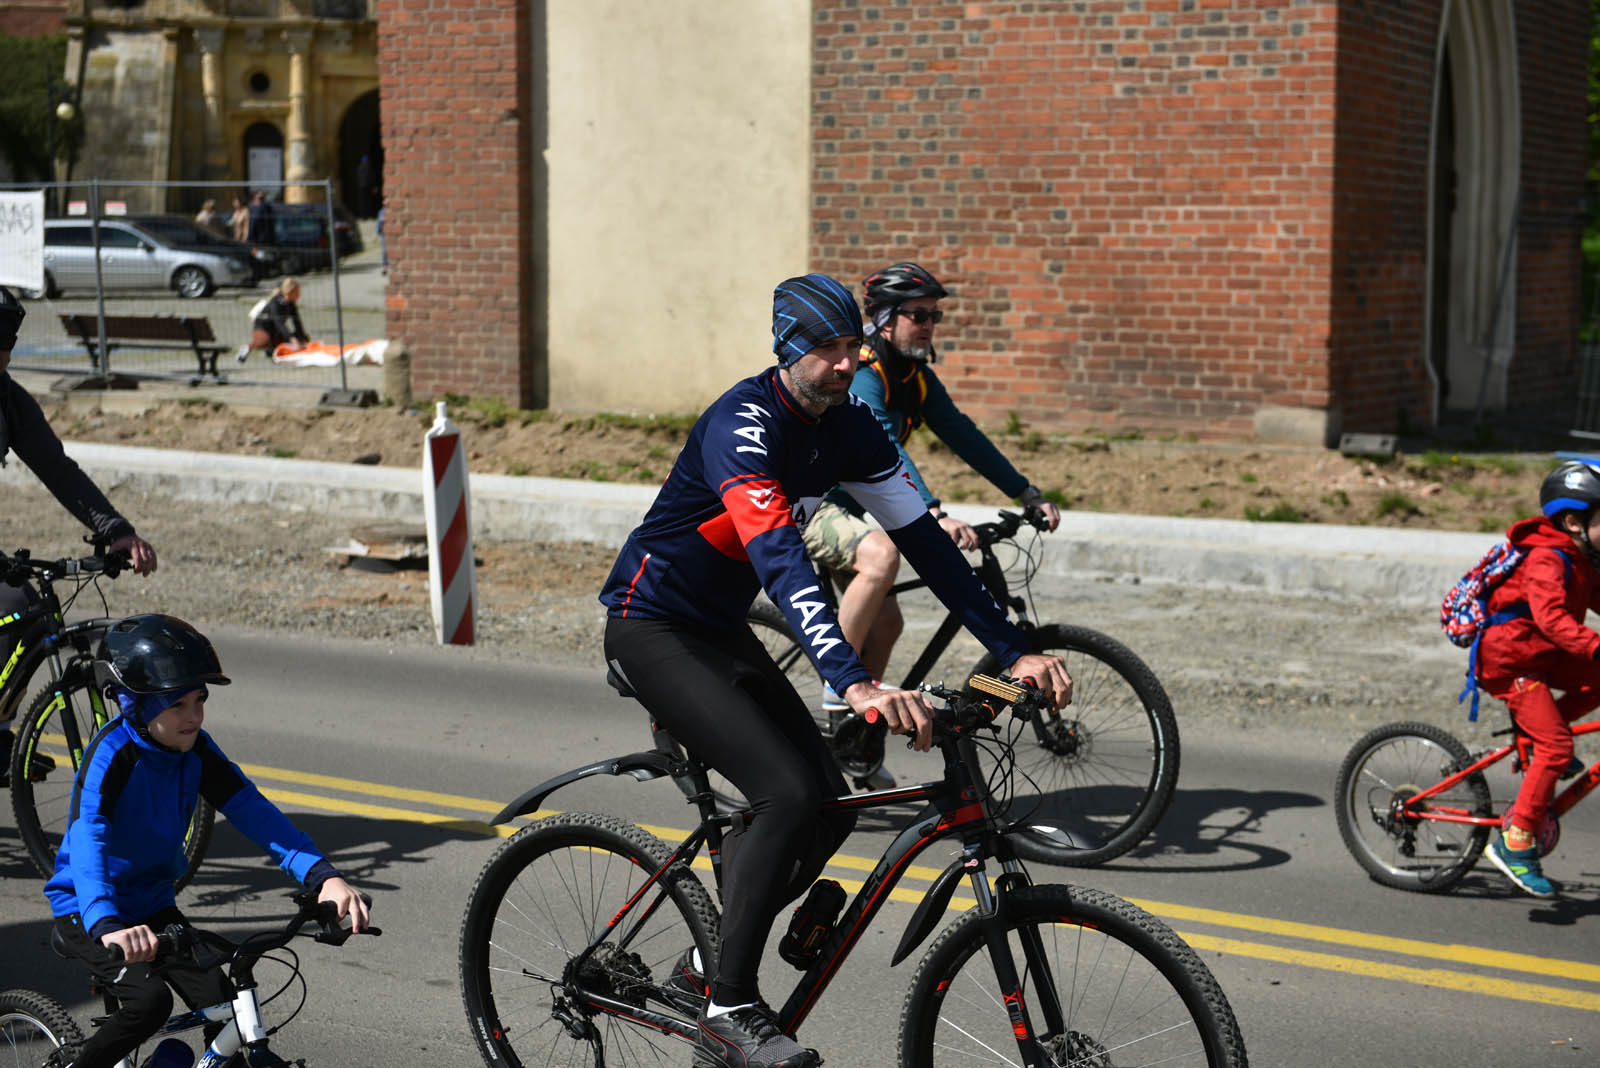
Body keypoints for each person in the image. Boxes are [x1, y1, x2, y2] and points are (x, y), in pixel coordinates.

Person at [598, 273, 1072, 1068]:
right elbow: (780, 559)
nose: (847, 362)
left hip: (714, 628)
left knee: (832, 807)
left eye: (853, 345)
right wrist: (853, 683)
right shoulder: (741, 424)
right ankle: (729, 1005)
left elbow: (922, 539)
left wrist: (1013, 646)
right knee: (784, 792)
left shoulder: (849, 423)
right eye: (827, 349)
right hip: (651, 626)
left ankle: (704, 965)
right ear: (787, 350)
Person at [44, 614, 369, 1068]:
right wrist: (106, 922)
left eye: (200, 700)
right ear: (134, 703)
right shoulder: (112, 754)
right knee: (149, 1004)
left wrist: (322, 877)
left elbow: (256, 814)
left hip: (153, 907)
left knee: (226, 1000)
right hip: (88, 909)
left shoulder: (196, 750)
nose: (194, 716)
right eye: (177, 705)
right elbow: (89, 837)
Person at [801, 262, 1063, 722]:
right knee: (882, 556)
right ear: (884, 317)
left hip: (857, 507)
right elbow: (883, 442)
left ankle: (857, 735)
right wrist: (932, 511)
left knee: (888, 623)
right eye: (917, 315)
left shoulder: (915, 377)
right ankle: (839, 689)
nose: (928, 326)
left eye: (933, 316)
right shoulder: (866, 370)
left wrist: (1025, 492)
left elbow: (963, 435)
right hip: (813, 502)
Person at [0, 287, 157, 786]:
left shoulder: (7, 400)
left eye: (6, 346)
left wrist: (115, 531)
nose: (1, 357)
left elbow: (56, 468)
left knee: (19, 604)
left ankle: (1, 731)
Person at [1473, 460, 1600, 898]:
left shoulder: (1583, 559)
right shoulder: (1548, 558)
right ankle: (1516, 843)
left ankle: (1541, 732)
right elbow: (1551, 621)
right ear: (1574, 521)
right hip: (1512, 660)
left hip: (1543, 655)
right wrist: (1595, 645)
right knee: (1557, 746)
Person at [236, 277, 309, 362]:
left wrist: (302, 337)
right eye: (297, 292)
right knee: (263, 342)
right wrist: (292, 339)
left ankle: (272, 350)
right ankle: (248, 348)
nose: (299, 295)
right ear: (289, 292)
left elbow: (297, 321)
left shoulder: (291, 304)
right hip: (263, 327)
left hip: (276, 330)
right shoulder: (275, 302)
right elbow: (279, 323)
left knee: (302, 338)